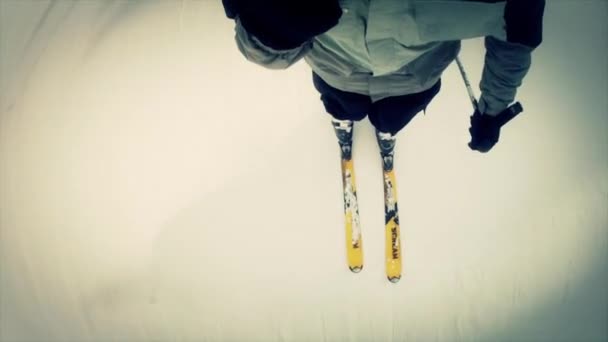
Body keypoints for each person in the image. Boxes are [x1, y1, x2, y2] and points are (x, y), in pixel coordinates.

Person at [220, 0, 545, 154]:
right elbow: (257, 42)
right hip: (335, 68)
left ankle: (386, 130)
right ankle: (343, 118)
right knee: (343, 105)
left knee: (391, 118)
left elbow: (515, 37)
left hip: (415, 76)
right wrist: (270, 28)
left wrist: (493, 109)